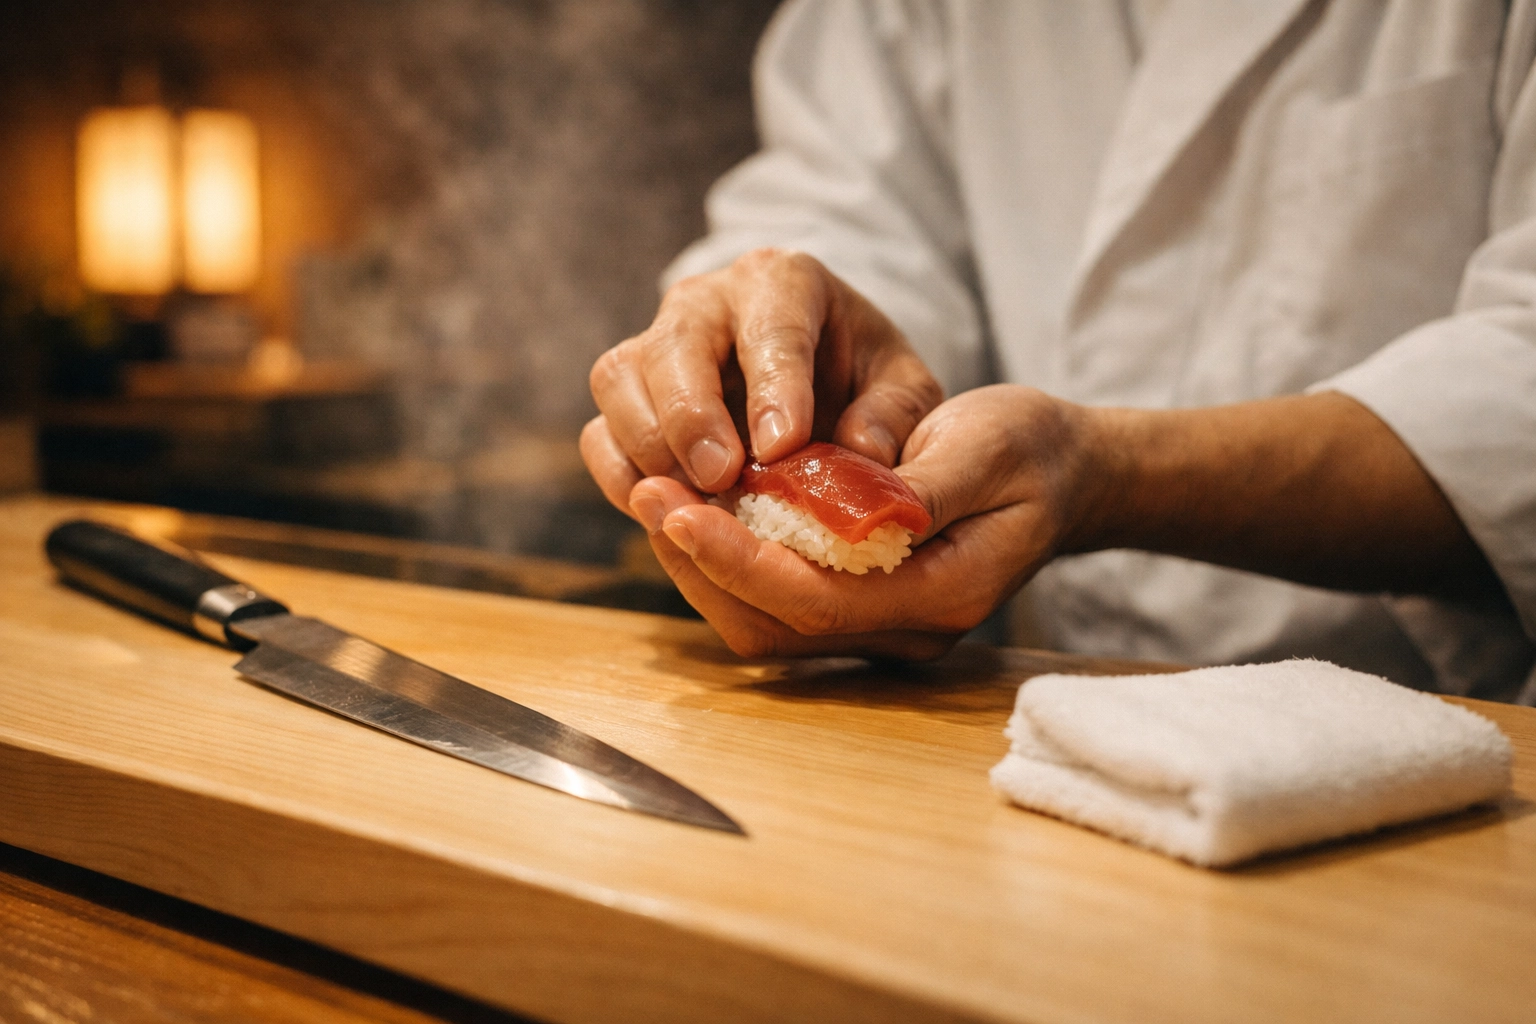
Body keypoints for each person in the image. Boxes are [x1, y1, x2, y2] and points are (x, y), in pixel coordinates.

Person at [580, 0, 1536, 703]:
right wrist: (758, 343)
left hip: (1439, 736)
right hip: (1023, 719)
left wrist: (1107, 474)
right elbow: (856, 199)